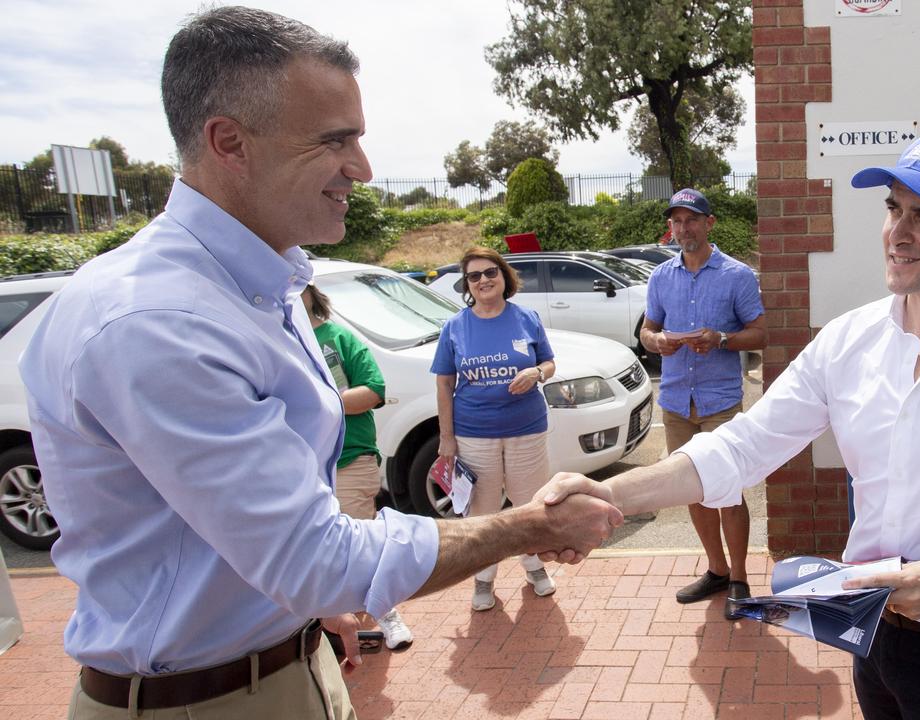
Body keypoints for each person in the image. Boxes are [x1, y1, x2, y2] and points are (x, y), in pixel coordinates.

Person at [17, 7, 620, 718]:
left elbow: (261, 539)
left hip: (283, 663)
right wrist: (531, 526)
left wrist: (295, 617)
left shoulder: (258, 286)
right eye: (336, 141)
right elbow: (314, 560)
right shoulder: (160, 322)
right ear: (229, 142)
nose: (362, 169)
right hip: (203, 702)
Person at [544, 129, 920, 719]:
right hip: (872, 635)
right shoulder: (850, 341)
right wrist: (607, 492)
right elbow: (743, 446)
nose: (896, 233)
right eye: (892, 208)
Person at [639, 187, 766, 619]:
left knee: (727, 491)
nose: (683, 228)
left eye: (691, 220)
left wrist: (722, 339)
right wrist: (655, 340)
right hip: (676, 401)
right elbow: (648, 330)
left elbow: (762, 333)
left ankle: (740, 579)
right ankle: (715, 569)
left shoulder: (736, 275)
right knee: (694, 489)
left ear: (709, 224)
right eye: (676, 221)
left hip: (719, 403)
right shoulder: (661, 277)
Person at [432, 247, 559, 612]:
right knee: (483, 512)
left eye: (490, 272)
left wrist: (536, 373)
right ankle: (483, 578)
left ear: (504, 276)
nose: (484, 280)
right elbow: (443, 384)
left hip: (527, 429)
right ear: (467, 284)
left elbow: (549, 363)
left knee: (529, 505)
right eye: (474, 276)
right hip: (474, 433)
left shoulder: (526, 318)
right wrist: (447, 439)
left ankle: (533, 566)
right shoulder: (455, 326)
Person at [301, 284, 412, 650]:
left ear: (311, 291)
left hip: (349, 459)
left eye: (296, 286)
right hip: (302, 464)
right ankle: (332, 624)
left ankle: (387, 614)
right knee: (317, 547)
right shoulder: (274, 339)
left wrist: (318, 401)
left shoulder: (337, 337)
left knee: (359, 541)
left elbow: (373, 390)